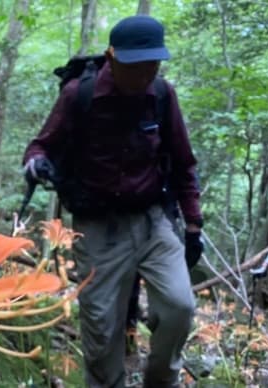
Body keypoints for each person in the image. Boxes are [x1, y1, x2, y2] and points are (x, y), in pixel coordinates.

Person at [23, 15, 202, 388]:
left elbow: (184, 164)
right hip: (98, 227)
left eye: (153, 64)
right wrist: (36, 165)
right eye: (136, 65)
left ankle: (161, 380)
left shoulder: (163, 95)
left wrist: (192, 225)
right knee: (102, 331)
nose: (145, 74)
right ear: (112, 57)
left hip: (154, 221)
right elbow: (42, 145)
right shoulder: (80, 95)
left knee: (180, 308)